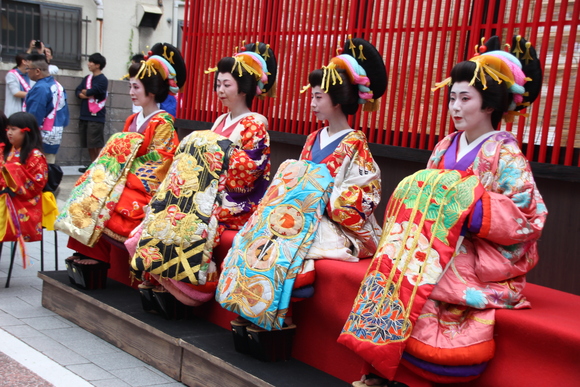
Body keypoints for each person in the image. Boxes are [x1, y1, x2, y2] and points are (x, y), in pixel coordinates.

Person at [340, 35, 547, 387]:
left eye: (465, 98)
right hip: (430, 244)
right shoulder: (443, 146)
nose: (455, 107)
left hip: (475, 251)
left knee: (424, 285)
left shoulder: (505, 154)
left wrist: (475, 213)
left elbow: (529, 218)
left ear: (489, 105)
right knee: (391, 272)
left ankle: (399, 370)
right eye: (452, 97)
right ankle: (379, 364)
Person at [216, 37, 386, 335]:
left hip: (332, 222)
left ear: (337, 100)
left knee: (289, 247)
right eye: (313, 96)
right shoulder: (312, 139)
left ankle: (279, 314)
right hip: (298, 216)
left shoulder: (355, 144)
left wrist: (321, 196)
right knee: (256, 233)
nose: (312, 103)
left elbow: (365, 196)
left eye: (318, 97)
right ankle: (252, 303)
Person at [130, 42, 276, 309]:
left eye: (226, 85)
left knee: (193, 218)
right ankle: (161, 274)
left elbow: (249, 171)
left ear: (243, 88)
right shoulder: (220, 121)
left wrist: (213, 162)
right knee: (165, 208)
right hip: (207, 192)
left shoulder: (255, 124)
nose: (220, 90)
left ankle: (188, 285)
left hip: (234, 200)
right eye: (218, 84)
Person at [56, 42, 186, 287]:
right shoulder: (132, 119)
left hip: (144, 188)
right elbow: (118, 155)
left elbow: (160, 165)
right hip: (122, 180)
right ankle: (88, 251)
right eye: (130, 86)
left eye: (135, 87)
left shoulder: (164, 123)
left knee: (111, 200)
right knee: (89, 190)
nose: (131, 92)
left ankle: (97, 257)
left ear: (151, 90)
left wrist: (121, 178)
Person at [0, 111, 48, 244]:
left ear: (26, 131)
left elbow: (36, 185)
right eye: (8, 128)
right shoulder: (7, 151)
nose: (9, 132)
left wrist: (13, 173)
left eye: (13, 129)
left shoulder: (35, 156)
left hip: (20, 202)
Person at [24, 53, 69, 164]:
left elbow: (34, 114)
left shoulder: (41, 88)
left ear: (37, 71)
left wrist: (27, 133)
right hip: (55, 131)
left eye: (28, 68)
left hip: (40, 134)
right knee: (49, 164)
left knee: (37, 167)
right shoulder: (58, 85)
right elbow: (65, 113)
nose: (27, 71)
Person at [76, 53, 108, 171]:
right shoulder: (87, 78)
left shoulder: (102, 79)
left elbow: (96, 91)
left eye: (91, 62)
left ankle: (100, 166)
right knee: (88, 143)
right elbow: (78, 91)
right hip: (85, 114)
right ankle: (92, 165)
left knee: (97, 143)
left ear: (98, 65)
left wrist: (87, 92)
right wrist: (82, 93)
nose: (88, 64)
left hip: (96, 116)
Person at [4, 53, 35, 117]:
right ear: (24, 62)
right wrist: (34, 94)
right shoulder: (11, 74)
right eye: (31, 61)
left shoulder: (30, 75)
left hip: (27, 111)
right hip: (14, 112)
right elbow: (16, 92)